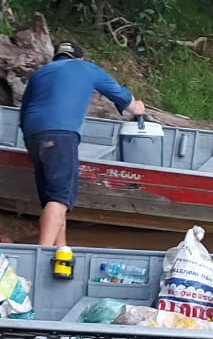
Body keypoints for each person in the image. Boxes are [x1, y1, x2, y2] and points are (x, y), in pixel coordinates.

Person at [18, 42, 145, 247]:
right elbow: (118, 94)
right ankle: (40, 255)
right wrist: (136, 107)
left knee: (54, 199)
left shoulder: (40, 73)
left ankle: (61, 251)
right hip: (61, 135)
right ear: (79, 57)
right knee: (59, 199)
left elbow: (24, 112)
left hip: (33, 136)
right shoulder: (86, 68)